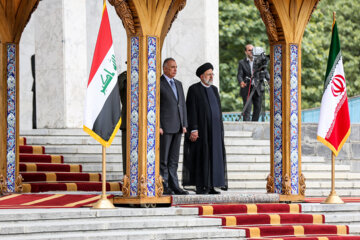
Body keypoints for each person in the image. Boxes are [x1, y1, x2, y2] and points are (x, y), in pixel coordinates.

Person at [182, 62, 228, 194]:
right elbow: (191, 110)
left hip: (214, 131)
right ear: (202, 76)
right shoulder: (194, 89)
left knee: (214, 157)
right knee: (202, 157)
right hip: (201, 132)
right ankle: (201, 185)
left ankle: (213, 184)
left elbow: (217, 110)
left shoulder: (214, 90)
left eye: (212, 74)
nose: (211, 76)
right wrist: (194, 128)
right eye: (209, 74)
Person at [160, 58, 188, 195]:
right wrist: (158, 125)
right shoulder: (158, 83)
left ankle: (174, 185)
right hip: (164, 127)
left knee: (174, 159)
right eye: (172, 67)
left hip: (178, 127)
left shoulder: (178, 84)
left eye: (176, 67)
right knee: (163, 159)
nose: (175, 69)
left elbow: (182, 105)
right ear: (164, 68)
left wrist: (184, 124)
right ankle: (163, 184)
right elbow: (155, 106)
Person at [237, 44, 264, 121]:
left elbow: (265, 72)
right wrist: (241, 82)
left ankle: (254, 125)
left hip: (257, 88)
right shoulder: (242, 62)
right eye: (249, 50)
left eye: (253, 50)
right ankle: (246, 128)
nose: (251, 52)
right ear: (245, 52)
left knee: (258, 108)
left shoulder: (259, 61)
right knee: (247, 109)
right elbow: (239, 75)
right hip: (247, 88)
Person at [118, 70, 127, 177]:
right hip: (128, 122)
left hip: (146, 124)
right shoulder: (123, 77)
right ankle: (127, 177)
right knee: (127, 154)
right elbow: (117, 91)